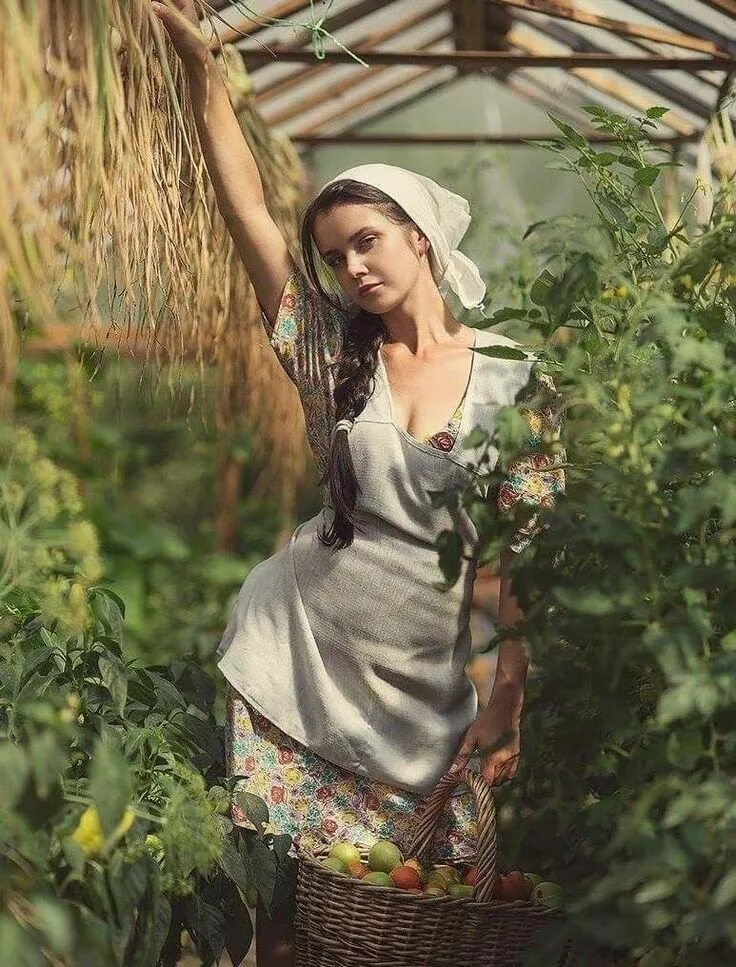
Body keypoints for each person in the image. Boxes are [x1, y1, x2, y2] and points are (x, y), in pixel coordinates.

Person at [153, 3, 566, 964]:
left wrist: (512, 682)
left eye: (369, 240)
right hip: (299, 660)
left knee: (436, 904)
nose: (353, 265)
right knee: (297, 916)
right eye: (337, 255)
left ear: (419, 235)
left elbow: (514, 548)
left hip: (427, 683)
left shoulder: (512, 376)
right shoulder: (332, 355)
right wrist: (205, 77)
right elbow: (245, 211)